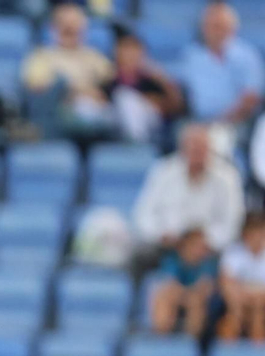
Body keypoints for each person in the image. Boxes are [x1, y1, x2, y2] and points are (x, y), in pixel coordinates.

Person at [132, 122, 244, 256]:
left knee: (233, 256)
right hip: (167, 244)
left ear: (211, 149)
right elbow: (143, 215)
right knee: (139, 254)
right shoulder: (163, 170)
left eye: (202, 148)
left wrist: (206, 242)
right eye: (193, 147)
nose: (197, 153)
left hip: (210, 248)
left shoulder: (227, 176)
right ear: (182, 149)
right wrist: (161, 234)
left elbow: (233, 222)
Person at [21, 4, 115, 141]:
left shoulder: (92, 55)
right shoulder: (42, 56)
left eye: (75, 24)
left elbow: (112, 77)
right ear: (54, 27)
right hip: (59, 113)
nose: (70, 28)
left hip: (95, 110)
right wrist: (77, 91)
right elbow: (36, 87)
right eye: (64, 24)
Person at [179, 1, 263, 128]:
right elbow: (181, 92)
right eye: (210, 25)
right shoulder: (192, 56)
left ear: (233, 28)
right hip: (198, 122)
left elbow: (251, 99)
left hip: (237, 122)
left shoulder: (247, 56)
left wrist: (221, 122)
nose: (215, 31)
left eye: (219, 26)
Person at [101, 32, 182, 144]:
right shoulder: (110, 80)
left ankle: (138, 143)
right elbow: (103, 101)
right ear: (117, 52)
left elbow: (175, 107)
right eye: (126, 49)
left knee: (126, 98)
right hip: (118, 125)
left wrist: (162, 80)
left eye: (134, 50)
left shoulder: (151, 79)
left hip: (152, 127)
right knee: (123, 97)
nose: (130, 55)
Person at [148, 227, 218, 338]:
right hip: (178, 298)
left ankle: (190, 344)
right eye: (197, 246)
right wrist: (187, 295)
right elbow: (170, 286)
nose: (202, 250)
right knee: (163, 298)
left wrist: (189, 296)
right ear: (186, 245)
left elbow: (205, 289)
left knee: (196, 302)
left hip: (198, 303)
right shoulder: (172, 260)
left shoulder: (207, 264)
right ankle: (161, 337)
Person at [218, 211, 265, 341]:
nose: (258, 237)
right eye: (253, 232)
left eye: (260, 232)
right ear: (245, 234)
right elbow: (226, 283)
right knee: (235, 312)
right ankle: (227, 354)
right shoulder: (233, 252)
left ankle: (258, 355)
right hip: (238, 302)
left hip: (260, 303)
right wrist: (248, 296)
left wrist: (255, 297)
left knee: (258, 311)